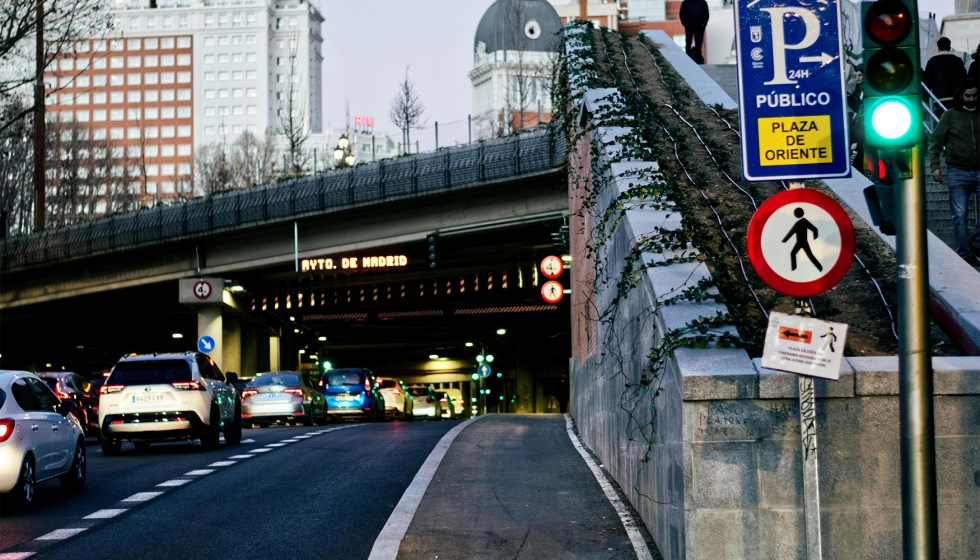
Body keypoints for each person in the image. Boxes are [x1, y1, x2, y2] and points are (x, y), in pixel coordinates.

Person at [928, 79, 980, 265]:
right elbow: (935, 142)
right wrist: (935, 165)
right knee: (960, 214)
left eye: (974, 95)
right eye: (968, 96)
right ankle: (964, 254)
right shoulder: (950, 115)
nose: (971, 99)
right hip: (958, 171)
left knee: (960, 213)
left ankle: (976, 242)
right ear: (961, 95)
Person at [924, 37, 967, 108]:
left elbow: (927, 83)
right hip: (956, 99)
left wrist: (926, 99)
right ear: (949, 48)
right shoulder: (957, 61)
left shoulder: (932, 61)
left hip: (938, 100)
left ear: (938, 47)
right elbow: (964, 80)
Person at [679, 0, 709, 64]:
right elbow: (682, 14)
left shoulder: (703, 2)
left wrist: (703, 25)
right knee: (688, 41)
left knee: (699, 44)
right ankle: (687, 58)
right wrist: (685, 24)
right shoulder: (685, 2)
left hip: (700, 27)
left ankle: (698, 61)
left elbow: (706, 15)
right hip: (689, 26)